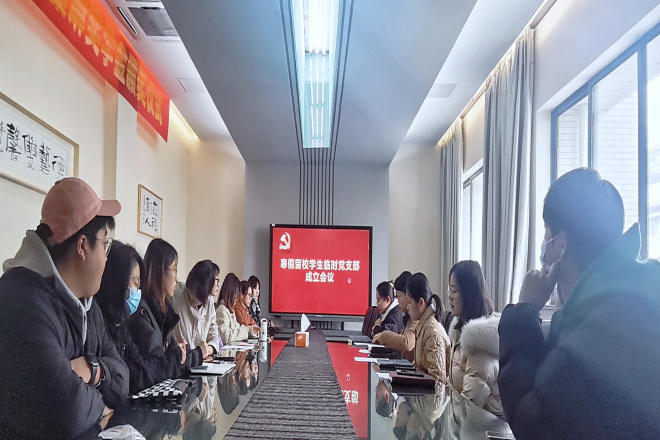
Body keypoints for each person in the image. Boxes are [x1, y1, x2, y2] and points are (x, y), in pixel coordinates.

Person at [498, 168, 660, 439]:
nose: (543, 245)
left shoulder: (596, 332)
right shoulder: (634, 298)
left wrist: (523, 313)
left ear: (560, 244)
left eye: (546, 233)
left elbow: (534, 424)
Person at [0, 178, 123, 438]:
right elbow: (66, 411)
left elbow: (123, 378)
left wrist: (92, 370)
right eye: (105, 245)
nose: (106, 258)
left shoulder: (88, 304)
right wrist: (100, 405)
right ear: (82, 246)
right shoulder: (21, 301)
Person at [95, 241, 186, 395]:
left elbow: (144, 369)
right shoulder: (109, 321)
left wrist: (178, 354)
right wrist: (177, 355)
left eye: (138, 285)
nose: (137, 291)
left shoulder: (120, 325)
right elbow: (133, 377)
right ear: (117, 281)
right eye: (134, 283)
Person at [128, 239, 202, 376]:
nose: (177, 278)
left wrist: (192, 354)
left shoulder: (163, 310)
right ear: (160, 271)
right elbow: (159, 367)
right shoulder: (142, 312)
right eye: (174, 270)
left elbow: (175, 354)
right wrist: (178, 355)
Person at [447, 261, 501, 414]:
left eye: (454, 291)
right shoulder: (461, 332)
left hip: (483, 423)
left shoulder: (480, 343)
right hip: (464, 419)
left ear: (469, 294)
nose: (450, 297)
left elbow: (470, 404)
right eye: (449, 290)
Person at [172, 260, 222, 361]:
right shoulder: (176, 294)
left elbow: (213, 336)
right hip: (179, 361)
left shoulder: (209, 301)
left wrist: (207, 350)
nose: (193, 298)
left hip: (199, 362)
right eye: (191, 292)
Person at [406, 272, 450, 384]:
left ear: (421, 303)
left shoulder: (432, 332)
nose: (407, 307)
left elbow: (437, 382)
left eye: (409, 302)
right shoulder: (424, 326)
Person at [372, 271, 417, 362]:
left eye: (398, 296)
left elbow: (407, 344)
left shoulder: (413, 317)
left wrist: (385, 335)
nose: (397, 300)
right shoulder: (408, 318)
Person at [216, 273, 259, 343]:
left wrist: (251, 330)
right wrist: (246, 332)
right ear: (230, 292)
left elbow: (238, 328)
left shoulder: (230, 310)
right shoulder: (222, 309)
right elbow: (226, 337)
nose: (237, 297)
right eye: (236, 293)